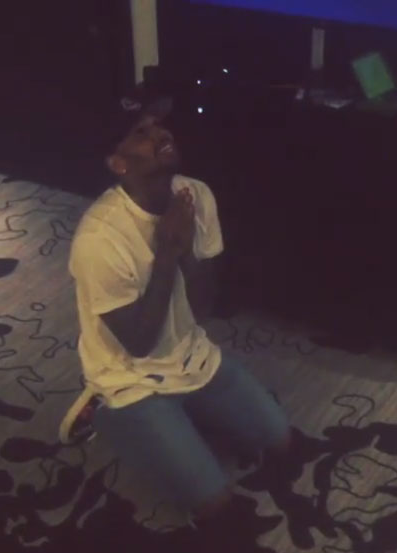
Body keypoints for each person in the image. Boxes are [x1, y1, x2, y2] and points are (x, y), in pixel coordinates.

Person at [68, 88, 290, 526]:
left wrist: (186, 248)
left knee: (279, 443)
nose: (160, 134)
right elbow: (140, 343)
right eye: (141, 132)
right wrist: (167, 252)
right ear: (119, 163)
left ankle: (182, 420)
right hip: (131, 376)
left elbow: (203, 306)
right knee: (215, 505)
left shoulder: (196, 195)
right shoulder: (98, 239)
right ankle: (103, 411)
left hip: (190, 356)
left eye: (158, 125)